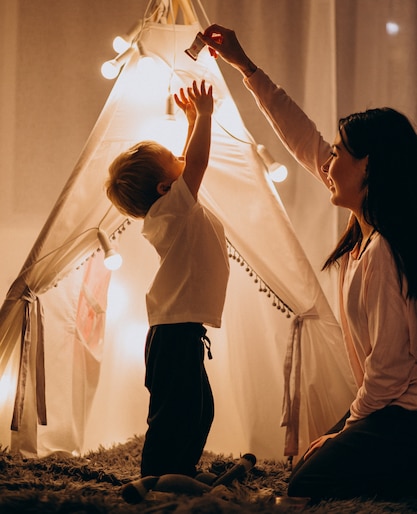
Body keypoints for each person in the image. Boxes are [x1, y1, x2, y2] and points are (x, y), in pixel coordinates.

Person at [200, 25, 417, 501]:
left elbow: (388, 375)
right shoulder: (365, 231)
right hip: (388, 406)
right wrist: (244, 66)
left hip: (405, 414)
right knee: (307, 463)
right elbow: (303, 139)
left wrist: (344, 431)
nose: (328, 162)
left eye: (339, 153)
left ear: (368, 167)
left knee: (307, 481)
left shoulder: (384, 250)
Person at [106, 79, 230, 478]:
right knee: (174, 411)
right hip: (173, 333)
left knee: (199, 409)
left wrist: (191, 121)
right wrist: (205, 116)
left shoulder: (176, 207)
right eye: (173, 160)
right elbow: (196, 163)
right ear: (166, 187)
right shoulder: (171, 212)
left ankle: (181, 470)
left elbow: (186, 166)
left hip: (181, 330)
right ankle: (155, 476)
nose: (182, 155)